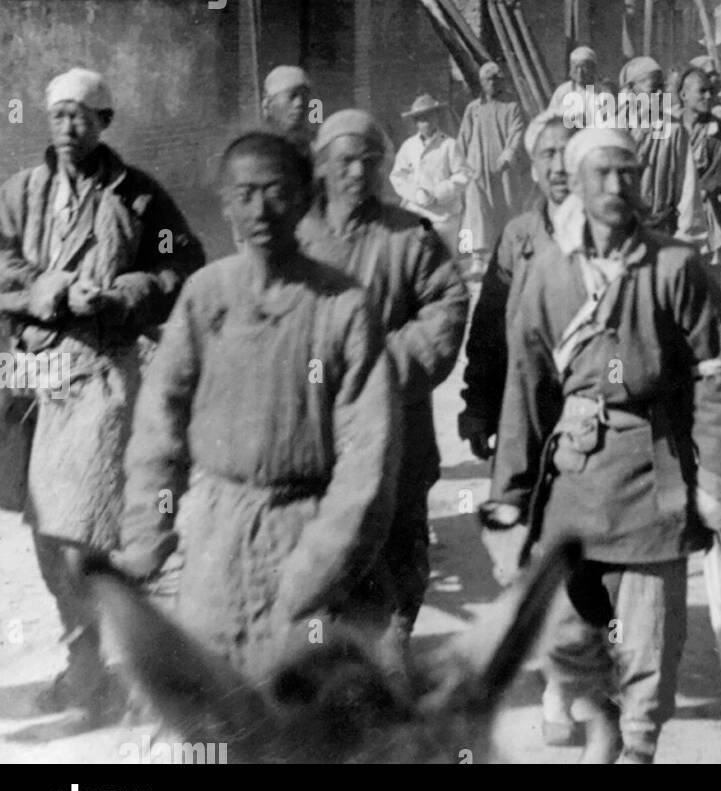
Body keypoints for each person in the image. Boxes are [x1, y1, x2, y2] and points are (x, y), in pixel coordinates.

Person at [482, 127, 721, 764]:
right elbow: (525, 391)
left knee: (649, 638)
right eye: (600, 172)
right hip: (572, 479)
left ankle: (637, 746)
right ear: (573, 181)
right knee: (572, 634)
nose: (615, 186)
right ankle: (600, 725)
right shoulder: (546, 273)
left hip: (651, 476)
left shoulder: (676, 267)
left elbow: (715, 378)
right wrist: (509, 502)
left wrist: (717, 480)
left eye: (627, 173)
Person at [117, 132, 398, 681]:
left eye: (276, 192)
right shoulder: (206, 296)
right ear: (224, 206)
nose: (260, 209)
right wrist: (147, 537)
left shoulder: (343, 307)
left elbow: (369, 459)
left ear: (305, 198)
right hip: (216, 544)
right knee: (214, 710)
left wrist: (314, 570)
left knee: (305, 721)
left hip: (307, 534)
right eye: (244, 194)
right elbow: (159, 430)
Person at [0, 68, 204, 723]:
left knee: (77, 535)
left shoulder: (139, 197)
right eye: (59, 114)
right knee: (42, 533)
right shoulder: (21, 193)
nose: (69, 127)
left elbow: (184, 264)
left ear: (106, 122)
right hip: (29, 378)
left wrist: (126, 294)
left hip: (99, 375)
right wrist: (48, 288)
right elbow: (0, 261)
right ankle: (86, 662)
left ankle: (103, 674)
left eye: (83, 116)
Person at [299, 110, 468, 655]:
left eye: (369, 162)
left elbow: (446, 306)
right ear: (322, 166)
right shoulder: (293, 237)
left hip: (396, 422)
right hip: (314, 428)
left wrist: (378, 367)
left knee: (398, 543)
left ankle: (393, 646)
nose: (356, 172)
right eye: (344, 160)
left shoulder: (409, 237)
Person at [458, 109, 570, 461]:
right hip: (527, 409)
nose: (559, 166)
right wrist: (479, 406)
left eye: (568, 152)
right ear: (533, 169)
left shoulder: (612, 235)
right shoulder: (517, 237)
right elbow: (489, 328)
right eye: (547, 154)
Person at [457, 62, 527, 279]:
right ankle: (478, 259)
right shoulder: (473, 108)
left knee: (504, 208)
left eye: (497, 79)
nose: (493, 83)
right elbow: (463, 139)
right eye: (488, 79)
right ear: (481, 83)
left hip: (502, 170)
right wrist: (460, 165)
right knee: (477, 211)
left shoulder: (512, 106)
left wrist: (508, 155)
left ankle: (505, 259)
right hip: (477, 169)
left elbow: (517, 133)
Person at [619, 56, 698, 238]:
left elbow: (687, 184)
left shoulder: (674, 130)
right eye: (653, 90)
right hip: (621, 227)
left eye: (661, 88)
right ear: (631, 90)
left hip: (660, 227)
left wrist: (685, 231)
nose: (660, 95)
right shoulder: (612, 128)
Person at [678, 67, 721, 289]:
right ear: (684, 95)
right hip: (676, 213)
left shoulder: (720, 132)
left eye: (710, 92)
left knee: (712, 281)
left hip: (708, 212)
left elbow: (718, 173)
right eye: (701, 91)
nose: (707, 97)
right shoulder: (671, 126)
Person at [390, 94, 472, 252]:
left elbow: (463, 175)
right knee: (417, 258)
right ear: (415, 122)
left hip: (444, 216)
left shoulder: (449, 144)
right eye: (421, 119)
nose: (426, 123)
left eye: (429, 117)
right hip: (417, 213)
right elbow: (398, 175)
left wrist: (438, 193)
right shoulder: (409, 146)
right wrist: (415, 193)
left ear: (436, 118)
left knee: (442, 260)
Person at [262, 65, 315, 156]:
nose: (299, 103)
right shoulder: (259, 150)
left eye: (304, 96)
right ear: (271, 104)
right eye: (292, 96)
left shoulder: (317, 147)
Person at [550, 46, 598, 111]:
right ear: (570, 69)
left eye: (584, 67)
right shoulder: (562, 91)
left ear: (593, 69)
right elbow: (552, 117)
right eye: (576, 67)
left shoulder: (602, 92)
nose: (580, 72)